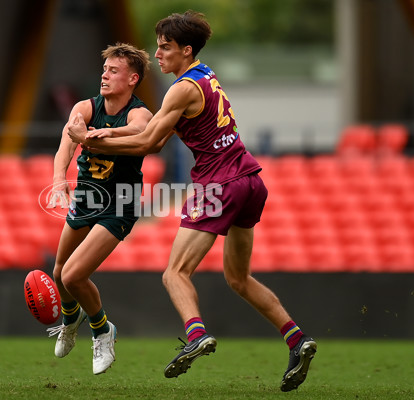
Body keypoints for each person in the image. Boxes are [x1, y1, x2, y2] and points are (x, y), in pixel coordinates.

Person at [67, 11, 317, 391]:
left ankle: (196, 335)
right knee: (239, 278)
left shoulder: (181, 89)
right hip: (250, 180)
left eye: (165, 48)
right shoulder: (207, 76)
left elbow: (149, 144)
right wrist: (104, 135)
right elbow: (159, 135)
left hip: (218, 184)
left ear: (186, 50)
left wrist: (89, 139)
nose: (158, 54)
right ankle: (297, 339)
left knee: (174, 273)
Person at [46, 43, 159, 375]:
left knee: (74, 274)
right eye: (104, 69)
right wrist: (57, 180)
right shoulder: (85, 107)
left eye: (113, 70)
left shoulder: (139, 112)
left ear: (133, 79)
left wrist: (101, 133)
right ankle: (71, 320)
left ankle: (102, 329)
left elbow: (142, 131)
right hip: (86, 199)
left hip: (118, 203)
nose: (104, 75)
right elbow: (66, 144)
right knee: (59, 274)